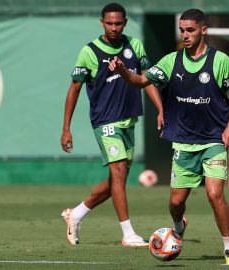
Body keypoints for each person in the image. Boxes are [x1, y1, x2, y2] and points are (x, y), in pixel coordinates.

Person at [109, 8, 229, 265]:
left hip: (214, 140)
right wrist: (123, 72)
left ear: (203, 30)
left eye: (190, 30)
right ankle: (178, 224)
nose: (185, 34)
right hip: (184, 142)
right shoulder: (171, 61)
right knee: (176, 202)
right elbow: (141, 80)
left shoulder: (219, 61)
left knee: (214, 195)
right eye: (182, 30)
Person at [60, 2, 163, 247]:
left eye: (118, 23)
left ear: (125, 23)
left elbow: (147, 79)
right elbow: (74, 89)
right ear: (102, 23)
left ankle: (76, 214)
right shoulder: (89, 52)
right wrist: (66, 128)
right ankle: (128, 234)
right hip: (105, 121)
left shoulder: (134, 45)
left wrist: (161, 109)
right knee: (118, 173)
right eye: (109, 23)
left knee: (116, 181)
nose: (114, 27)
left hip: (129, 119)